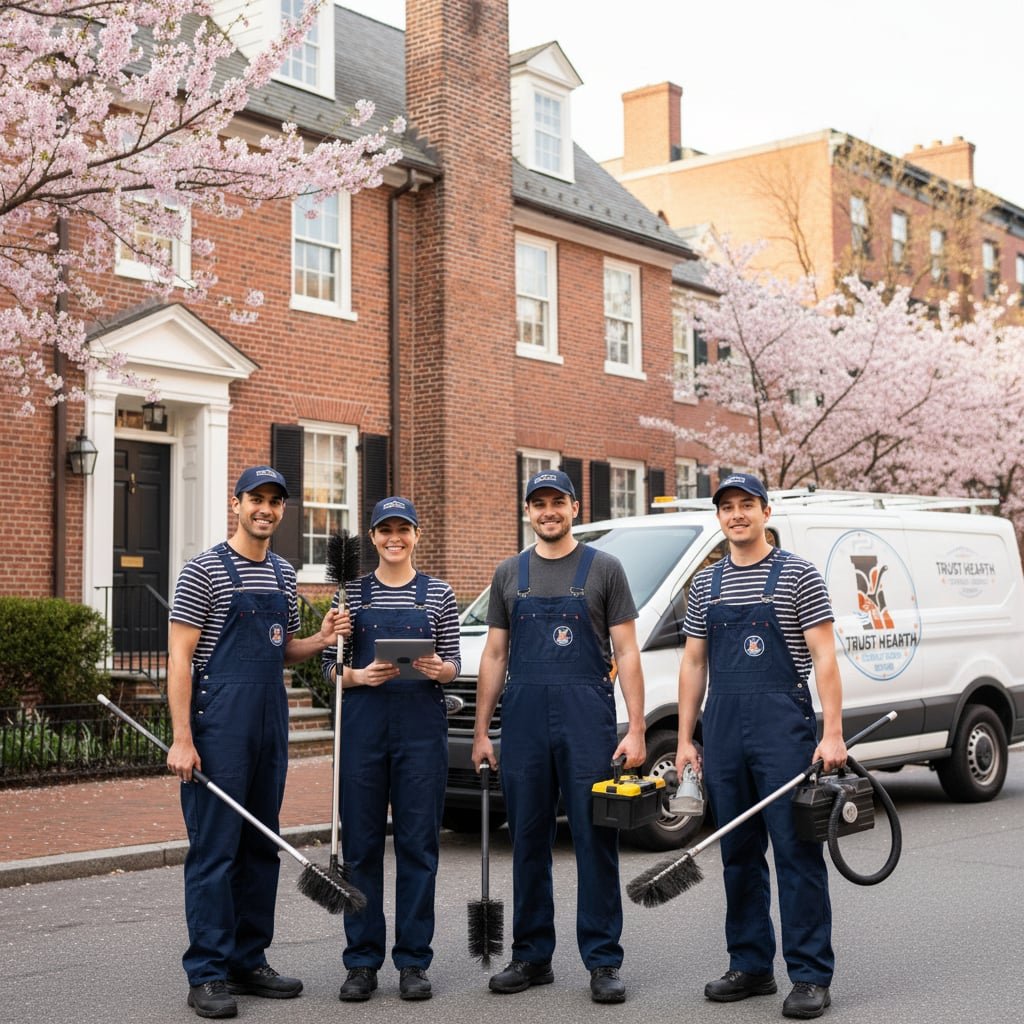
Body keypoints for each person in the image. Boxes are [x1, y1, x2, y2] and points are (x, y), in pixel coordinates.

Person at [167, 466, 349, 1020]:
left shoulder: (283, 573)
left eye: (274, 500)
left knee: (260, 845)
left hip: (269, 725)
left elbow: (283, 648)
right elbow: (179, 659)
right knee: (215, 852)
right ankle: (208, 971)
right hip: (218, 727)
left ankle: (249, 959)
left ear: (282, 509)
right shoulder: (202, 571)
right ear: (237, 503)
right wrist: (182, 739)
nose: (264, 508)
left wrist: (321, 638)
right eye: (255, 499)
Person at [676, 473, 847, 1021]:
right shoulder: (706, 584)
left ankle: (810, 975)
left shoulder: (798, 575)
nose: (737, 514)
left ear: (766, 512)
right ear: (719, 517)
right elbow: (694, 662)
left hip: (782, 730)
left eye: (746, 504)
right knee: (738, 853)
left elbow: (824, 658)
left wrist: (833, 732)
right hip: (724, 729)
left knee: (796, 853)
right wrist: (685, 739)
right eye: (727, 507)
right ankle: (750, 965)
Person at [472, 469, 646, 1005]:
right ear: (527, 511)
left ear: (574, 507)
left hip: (586, 720)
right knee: (528, 839)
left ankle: (603, 959)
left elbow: (627, 652)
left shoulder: (604, 569)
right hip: (523, 722)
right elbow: (495, 655)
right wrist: (481, 732)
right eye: (538, 503)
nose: (548, 511)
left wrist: (638, 728)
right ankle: (531, 955)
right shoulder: (510, 573)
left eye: (557, 502)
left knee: (595, 840)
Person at [323, 496, 461, 1003]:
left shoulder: (439, 594)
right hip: (363, 731)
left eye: (403, 529)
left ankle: (413, 961)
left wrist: (440, 670)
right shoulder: (349, 595)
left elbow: (454, 663)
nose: (394, 538)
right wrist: (357, 675)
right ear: (373, 537)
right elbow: (328, 669)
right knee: (361, 849)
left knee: (418, 848)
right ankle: (361, 962)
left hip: (421, 735)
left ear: (417, 535)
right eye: (385, 530)